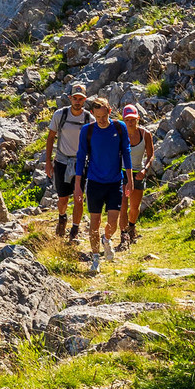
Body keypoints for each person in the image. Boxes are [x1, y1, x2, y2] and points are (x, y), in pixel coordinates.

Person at [72, 94, 132, 265]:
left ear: (109, 111)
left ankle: (106, 239)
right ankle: (95, 258)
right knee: (94, 222)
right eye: (98, 117)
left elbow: (126, 152)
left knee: (113, 222)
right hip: (94, 182)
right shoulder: (88, 130)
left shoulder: (119, 127)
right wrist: (78, 185)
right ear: (92, 114)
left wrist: (130, 180)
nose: (101, 120)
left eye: (104, 116)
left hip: (115, 182)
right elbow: (81, 157)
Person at [44, 82, 91, 241]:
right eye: (75, 98)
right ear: (70, 98)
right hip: (62, 161)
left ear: (85, 100)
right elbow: (51, 137)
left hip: (80, 163)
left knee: (79, 198)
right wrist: (48, 162)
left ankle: (75, 230)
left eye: (80, 99)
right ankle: (62, 217)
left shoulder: (89, 118)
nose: (77, 101)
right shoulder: (60, 114)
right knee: (63, 198)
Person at [120, 101, 156, 246]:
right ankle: (123, 236)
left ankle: (131, 227)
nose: (130, 122)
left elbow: (151, 155)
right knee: (123, 205)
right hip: (122, 172)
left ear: (138, 119)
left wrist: (145, 170)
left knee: (134, 207)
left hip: (138, 172)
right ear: (123, 120)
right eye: (127, 120)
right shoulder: (119, 134)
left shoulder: (145, 134)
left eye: (133, 119)